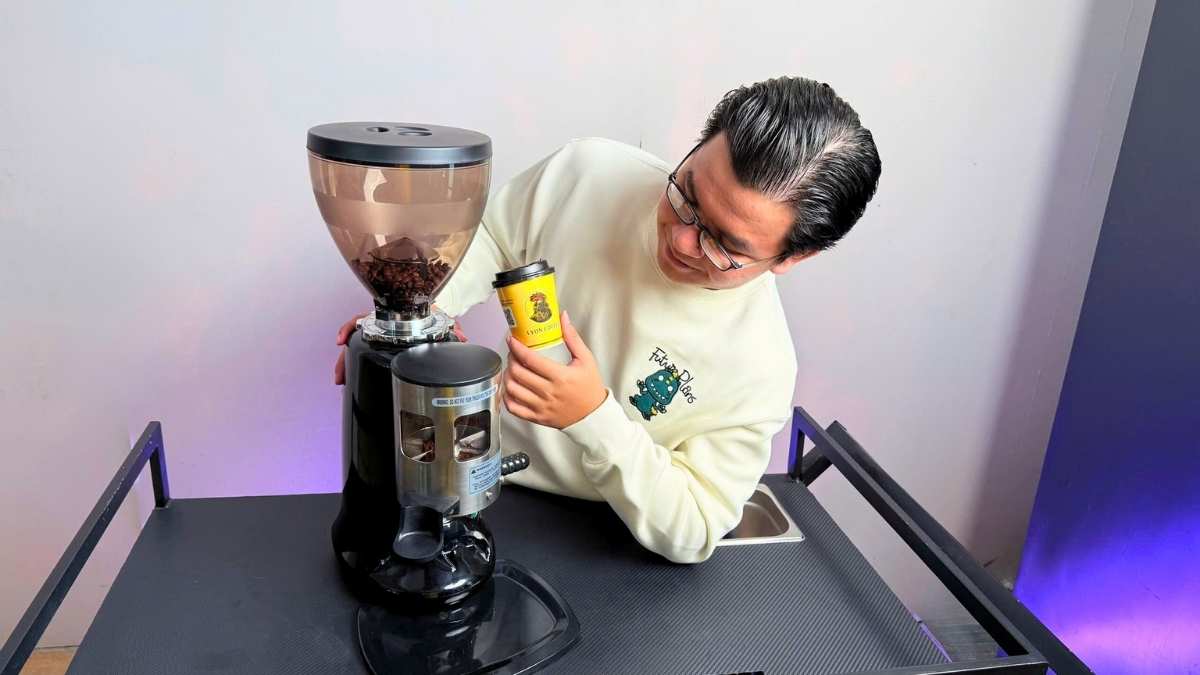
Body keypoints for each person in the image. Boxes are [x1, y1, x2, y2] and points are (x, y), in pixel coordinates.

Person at [334, 76, 881, 563]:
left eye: (723, 245)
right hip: (479, 489)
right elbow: (496, 236)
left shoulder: (761, 367)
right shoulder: (588, 172)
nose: (681, 239)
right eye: (686, 196)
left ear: (792, 258)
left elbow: (694, 528)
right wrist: (417, 313)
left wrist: (592, 418)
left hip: (612, 539)